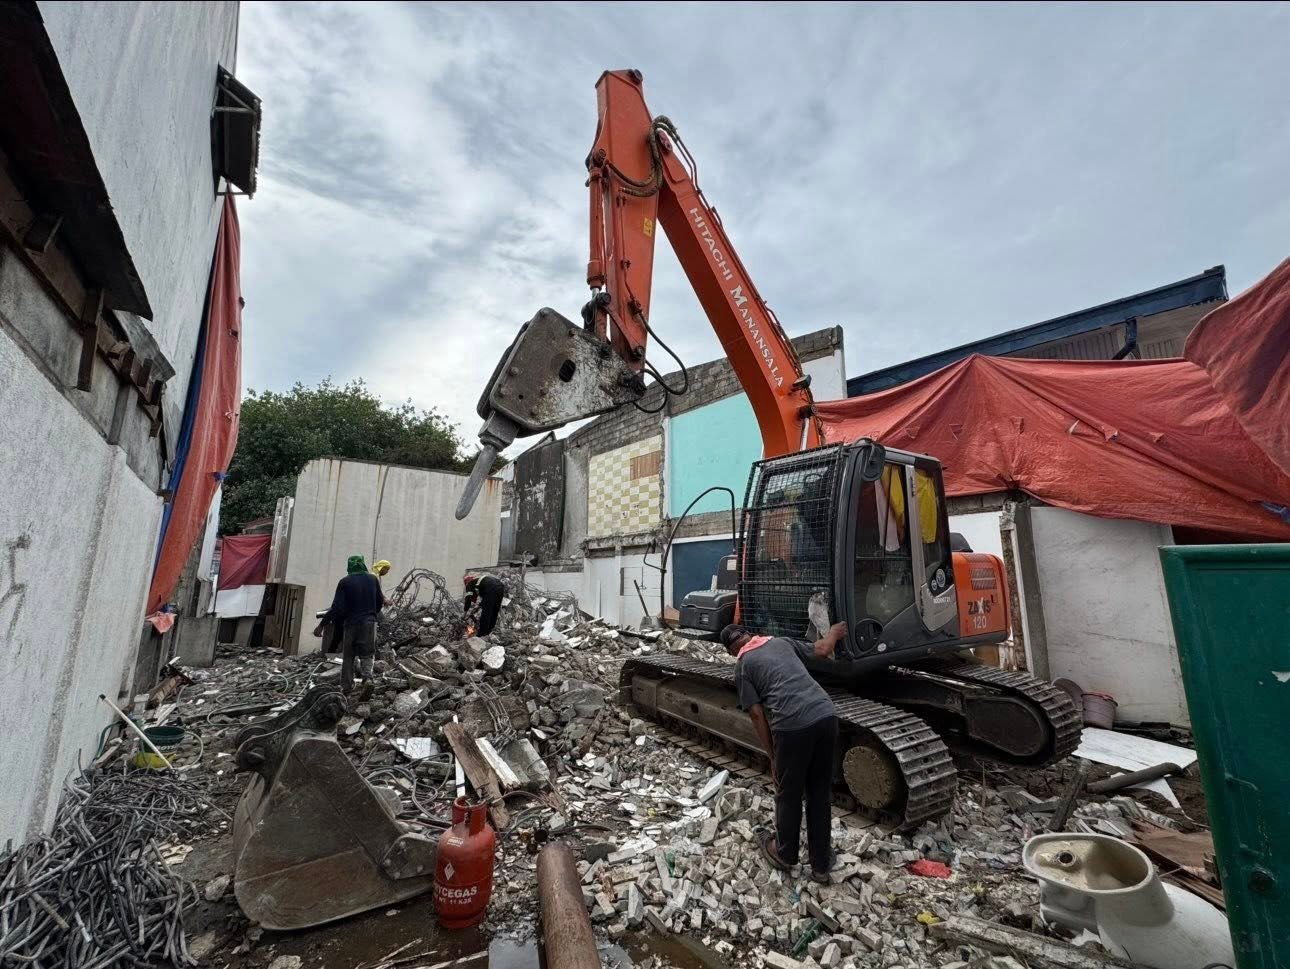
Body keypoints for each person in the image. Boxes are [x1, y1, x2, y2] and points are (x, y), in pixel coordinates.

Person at [721, 620, 848, 883]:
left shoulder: (743, 667)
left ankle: (785, 853)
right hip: (826, 714)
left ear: (732, 651)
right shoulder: (780, 642)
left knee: (788, 793)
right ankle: (821, 865)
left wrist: (773, 757)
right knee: (818, 793)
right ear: (749, 635)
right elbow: (823, 649)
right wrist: (835, 632)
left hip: (792, 726)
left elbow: (757, 715)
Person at [314, 554, 383, 695]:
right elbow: (380, 601)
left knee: (348, 656)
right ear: (362, 564)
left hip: (351, 623)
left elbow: (337, 607)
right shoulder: (372, 579)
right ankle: (367, 679)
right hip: (369, 623)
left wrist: (322, 624)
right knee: (367, 654)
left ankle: (346, 686)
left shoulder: (344, 582)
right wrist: (372, 614)